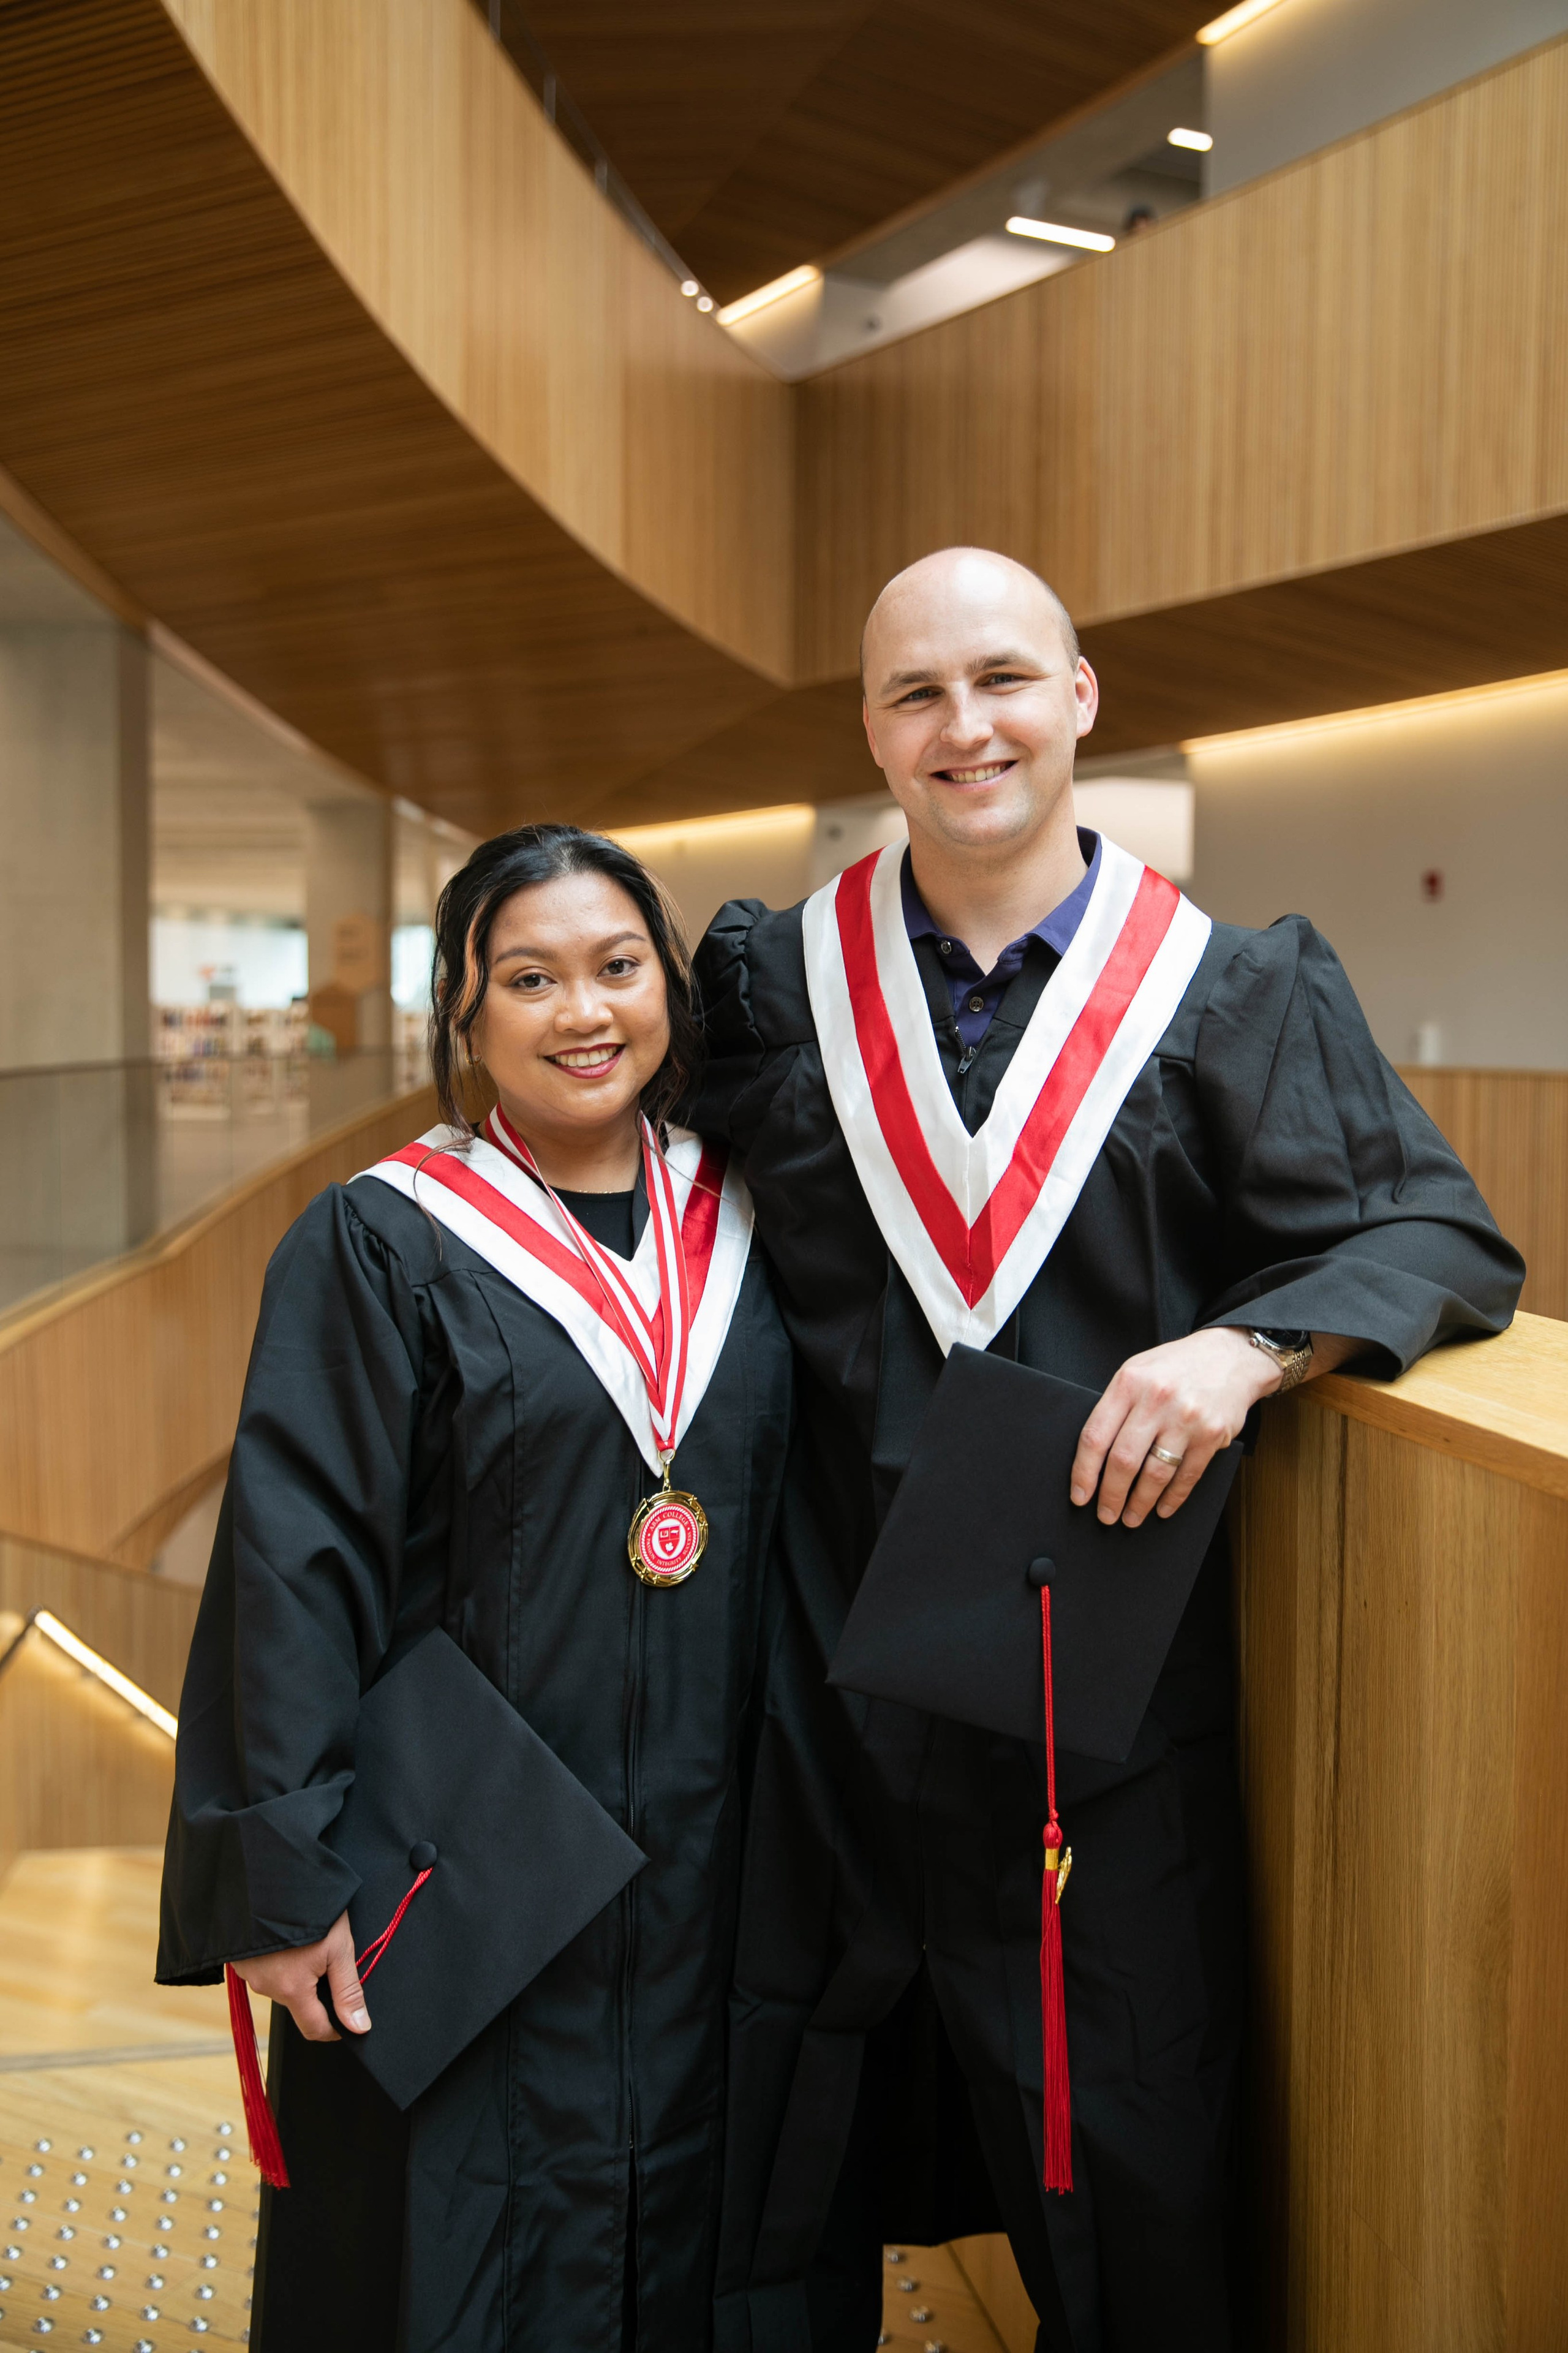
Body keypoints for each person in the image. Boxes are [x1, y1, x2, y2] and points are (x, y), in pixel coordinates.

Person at [690, 548, 1525, 2352]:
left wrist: (1250, 1347)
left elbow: (1438, 1233)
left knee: (1128, 2163)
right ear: (871, 732)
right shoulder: (772, 989)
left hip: (1094, 1709)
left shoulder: (1230, 994)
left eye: (1002, 678)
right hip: (818, 1690)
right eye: (916, 693)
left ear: (1078, 697)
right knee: (775, 2144)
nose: (964, 725)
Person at [159, 825, 791, 2353]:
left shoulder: (757, 1217)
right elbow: (292, 1561)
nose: (583, 1011)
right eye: (530, 978)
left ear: (667, 987)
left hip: (708, 1860)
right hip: (459, 1864)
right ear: (464, 1010)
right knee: (450, 2253)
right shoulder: (380, 1239)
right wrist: (287, 1873)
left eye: (617, 966)